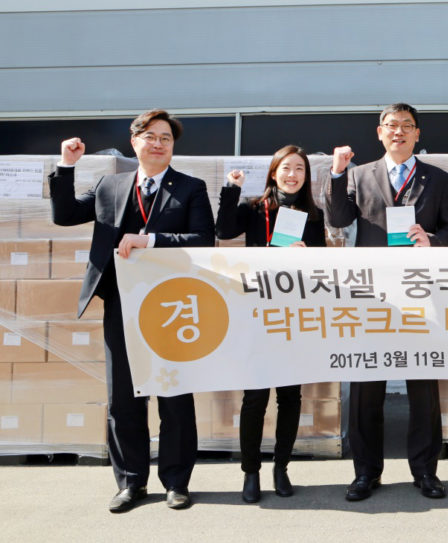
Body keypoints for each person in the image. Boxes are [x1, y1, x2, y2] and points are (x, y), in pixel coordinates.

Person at [49, 109, 215, 512]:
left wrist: (150, 240)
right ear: (134, 141)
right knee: (123, 398)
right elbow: (65, 215)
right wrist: (66, 166)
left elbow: (203, 238)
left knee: (174, 395)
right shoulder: (110, 185)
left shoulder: (190, 187)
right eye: (150, 136)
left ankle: (176, 482)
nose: (158, 144)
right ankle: (130, 482)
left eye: (166, 138)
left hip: (172, 305)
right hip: (121, 303)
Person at [324, 103, 448, 500]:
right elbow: (337, 218)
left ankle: (425, 471)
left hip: (421, 295)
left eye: (406, 126)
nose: (398, 131)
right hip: (373, 295)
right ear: (379, 132)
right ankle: (365, 472)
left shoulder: (439, 178)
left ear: (417, 134)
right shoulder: (358, 175)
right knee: (366, 387)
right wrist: (336, 174)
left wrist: (432, 241)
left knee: (423, 388)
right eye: (391, 125)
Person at [215, 145, 326, 503]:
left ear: (306, 176)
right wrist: (231, 189)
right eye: (286, 168)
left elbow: (323, 264)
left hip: (292, 315)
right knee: (255, 397)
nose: (293, 175)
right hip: (257, 313)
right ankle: (251, 472)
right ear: (274, 172)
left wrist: (307, 257)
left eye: (300, 169)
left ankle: (282, 467)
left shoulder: (314, 215)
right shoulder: (254, 208)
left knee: (290, 396)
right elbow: (224, 230)